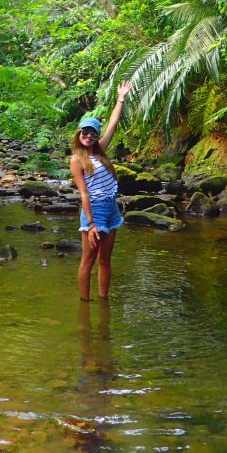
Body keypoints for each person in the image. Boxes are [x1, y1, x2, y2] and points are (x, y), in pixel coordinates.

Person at [70, 80, 132, 301]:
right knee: (88, 260)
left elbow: (113, 124)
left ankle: (103, 301)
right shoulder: (77, 160)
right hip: (93, 211)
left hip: (111, 208)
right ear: (79, 133)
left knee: (105, 259)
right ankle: (84, 303)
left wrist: (120, 99)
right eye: (85, 132)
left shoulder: (101, 151)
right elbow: (84, 193)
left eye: (93, 133)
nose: (89, 136)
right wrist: (91, 223)